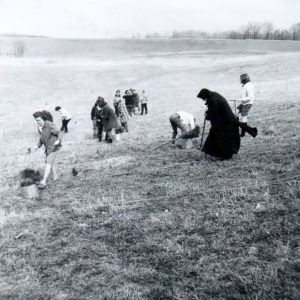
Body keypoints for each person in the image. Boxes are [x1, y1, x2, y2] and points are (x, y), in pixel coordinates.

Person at [197, 88, 257, 160]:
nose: (203, 100)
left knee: (223, 139)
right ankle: (212, 152)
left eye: (203, 98)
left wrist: (207, 115)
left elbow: (214, 113)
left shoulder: (213, 99)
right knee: (214, 135)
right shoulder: (213, 95)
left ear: (205, 96)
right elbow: (213, 109)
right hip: (223, 120)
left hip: (226, 121)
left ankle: (226, 155)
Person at [33, 111, 62, 188]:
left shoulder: (49, 124)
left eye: (39, 120)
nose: (37, 122)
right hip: (48, 148)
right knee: (51, 162)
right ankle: (56, 175)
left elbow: (59, 132)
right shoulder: (39, 127)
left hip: (55, 147)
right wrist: (37, 146)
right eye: (36, 120)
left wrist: (58, 140)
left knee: (48, 162)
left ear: (43, 119)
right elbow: (42, 138)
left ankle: (44, 181)